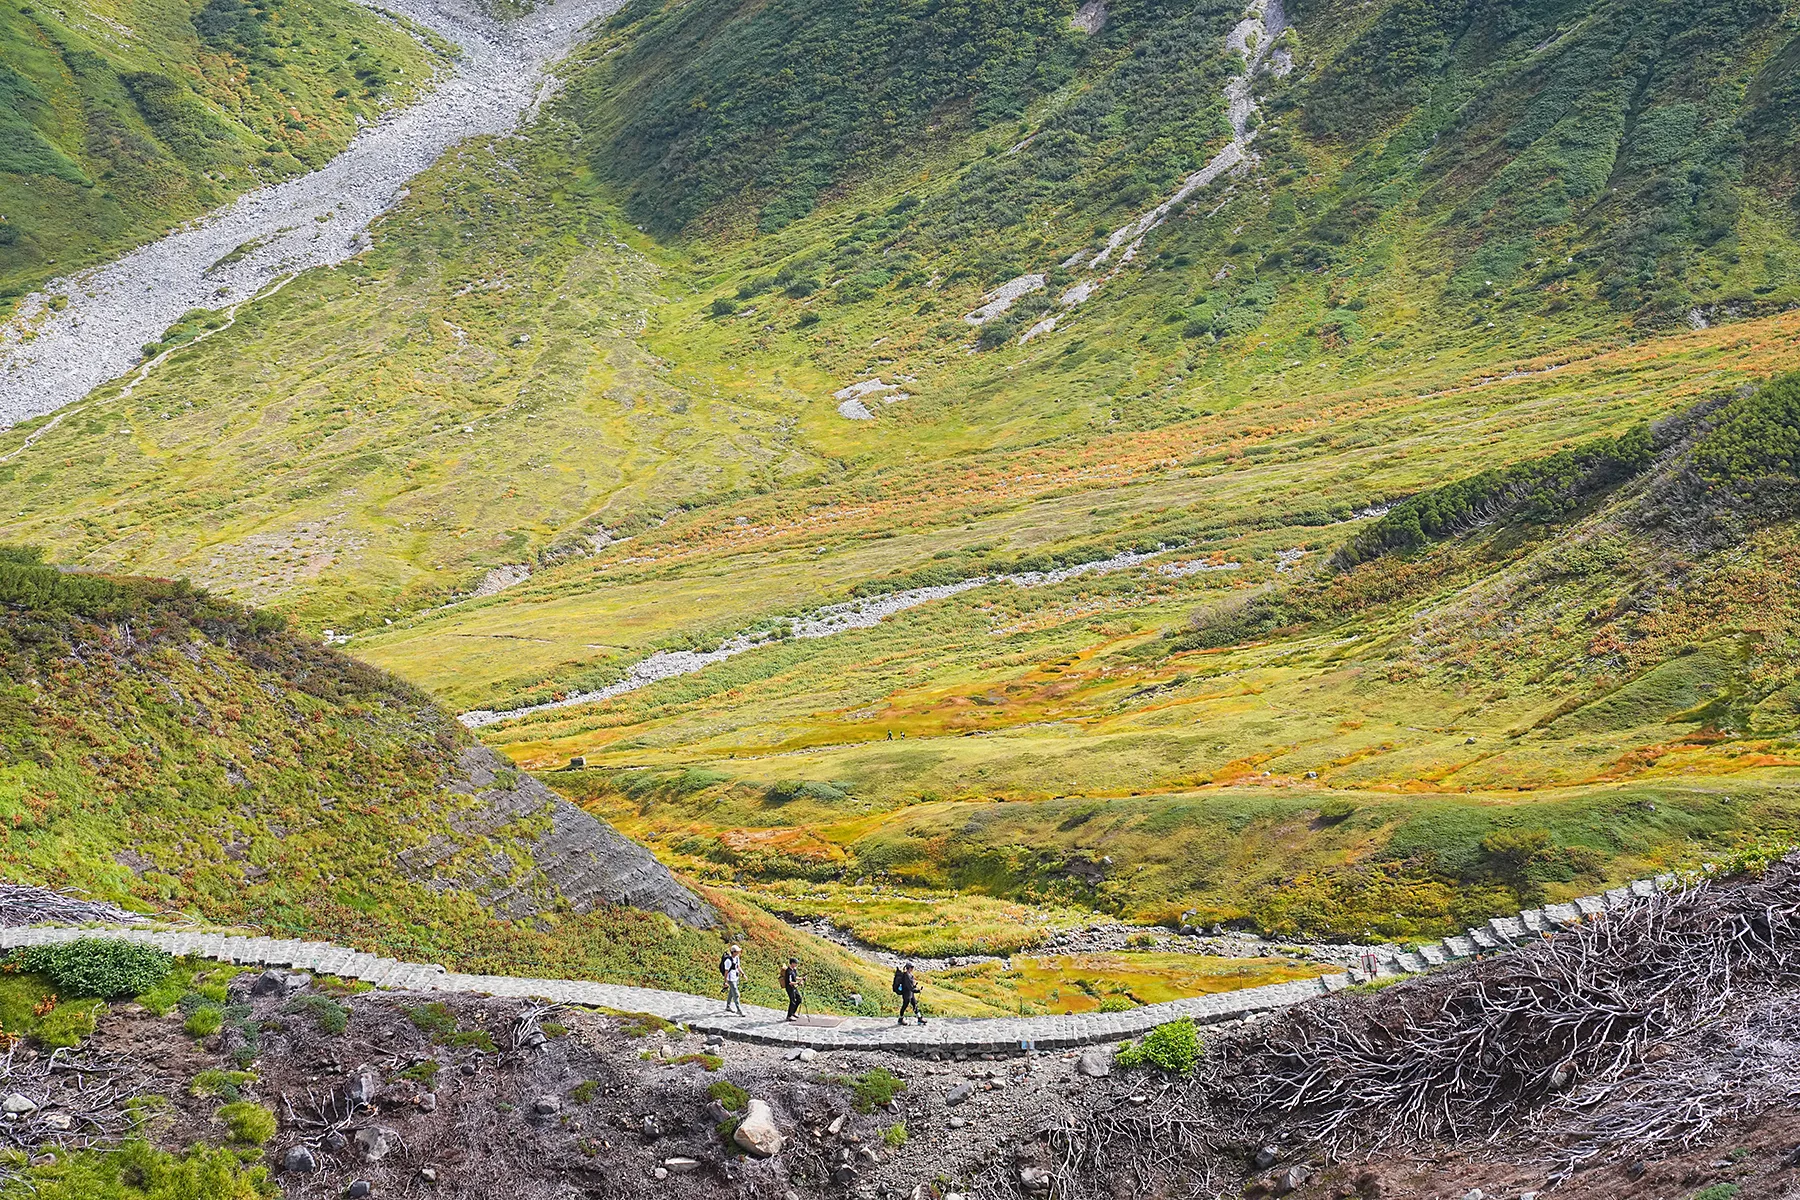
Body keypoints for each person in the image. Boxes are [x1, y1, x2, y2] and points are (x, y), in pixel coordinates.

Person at [720, 943, 744, 1015]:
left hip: (735, 977)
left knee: (731, 992)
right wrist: (725, 982)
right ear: (733, 952)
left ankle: (728, 1006)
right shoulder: (728, 961)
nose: (739, 953)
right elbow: (726, 972)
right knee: (736, 994)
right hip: (731, 979)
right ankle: (739, 1010)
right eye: (737, 951)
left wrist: (743, 974)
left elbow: (738, 967)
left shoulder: (736, 958)